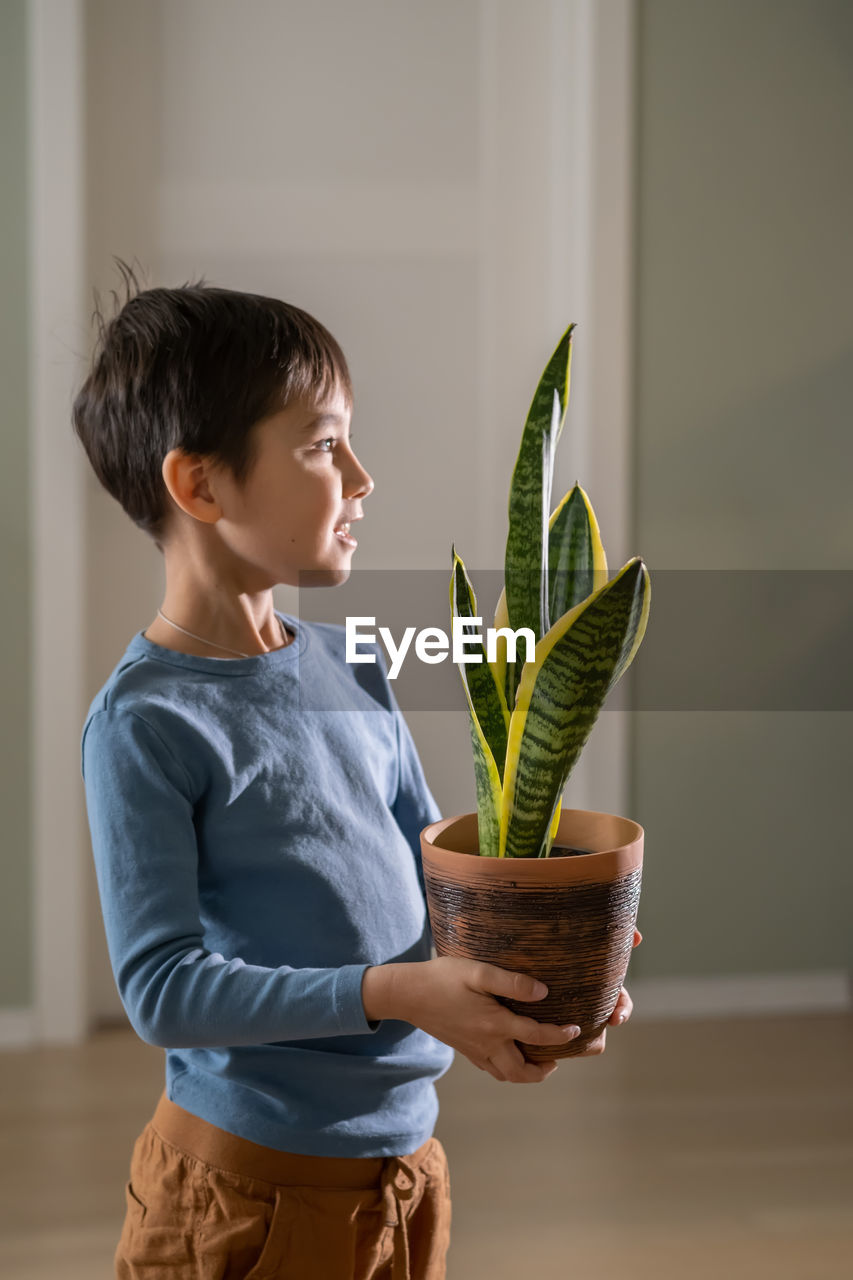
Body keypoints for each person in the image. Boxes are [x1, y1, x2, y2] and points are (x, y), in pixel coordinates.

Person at [76, 262, 640, 1280]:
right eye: (325, 445)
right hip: (242, 1194)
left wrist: (538, 970)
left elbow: (437, 879)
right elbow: (162, 988)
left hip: (402, 1170)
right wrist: (400, 990)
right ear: (200, 482)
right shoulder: (146, 720)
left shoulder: (353, 662)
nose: (364, 478)